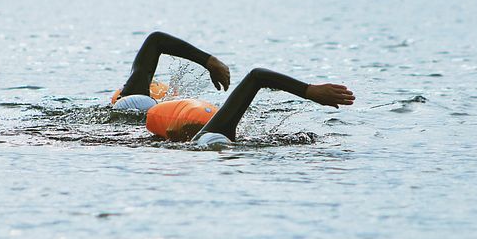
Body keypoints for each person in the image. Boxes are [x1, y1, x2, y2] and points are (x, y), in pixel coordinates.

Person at [112, 31, 355, 146]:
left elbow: (155, 40)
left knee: (133, 103)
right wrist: (310, 91)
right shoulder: (213, 134)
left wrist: (310, 91)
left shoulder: (214, 132)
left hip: (144, 114)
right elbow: (257, 76)